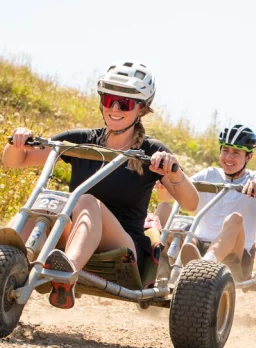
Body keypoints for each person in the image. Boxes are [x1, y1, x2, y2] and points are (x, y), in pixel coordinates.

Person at [2, 61, 199, 309]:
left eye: (124, 104)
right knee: (44, 208)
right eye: (109, 100)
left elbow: (191, 204)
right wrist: (17, 142)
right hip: (76, 234)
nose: (115, 108)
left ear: (141, 109)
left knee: (84, 199)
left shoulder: (151, 152)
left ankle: (67, 274)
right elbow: (14, 162)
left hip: (124, 247)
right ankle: (8, 261)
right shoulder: (81, 141)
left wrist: (174, 172)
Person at [157, 124, 256, 279]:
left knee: (235, 218)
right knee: (163, 208)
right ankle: (159, 264)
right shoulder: (209, 174)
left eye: (236, 153)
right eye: (225, 150)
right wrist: (163, 187)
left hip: (235, 252)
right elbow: (171, 196)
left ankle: (205, 265)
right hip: (197, 245)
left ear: (249, 157)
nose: (228, 158)